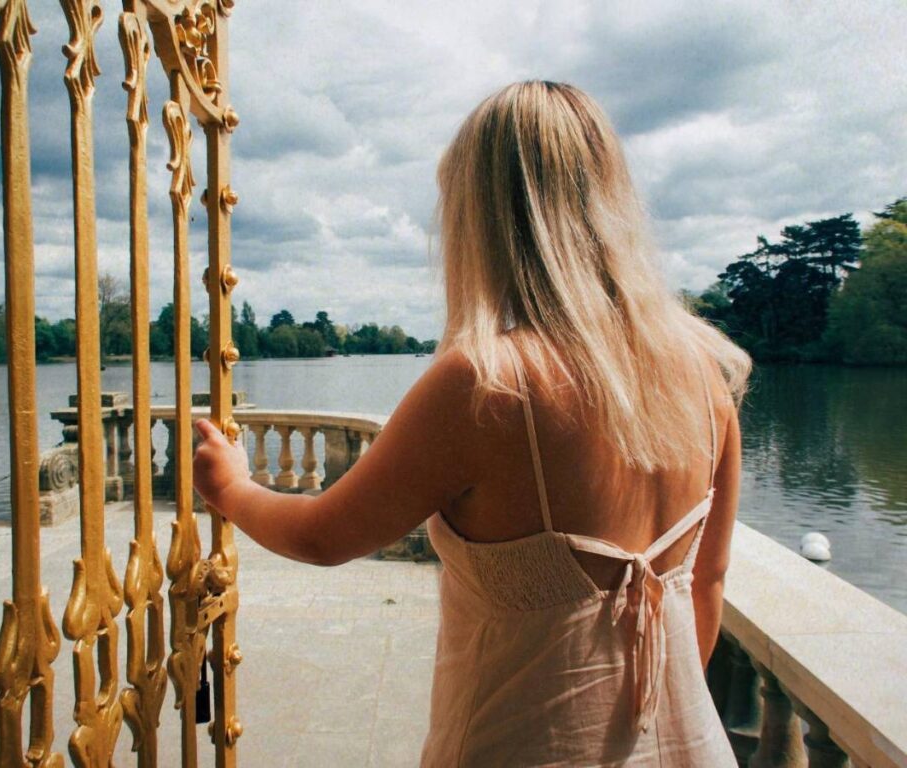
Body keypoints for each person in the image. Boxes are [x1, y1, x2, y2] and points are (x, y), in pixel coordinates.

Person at [193, 80, 749, 766]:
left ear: (482, 218)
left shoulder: (488, 384)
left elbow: (324, 536)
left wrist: (231, 488)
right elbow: (706, 587)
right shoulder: (704, 379)